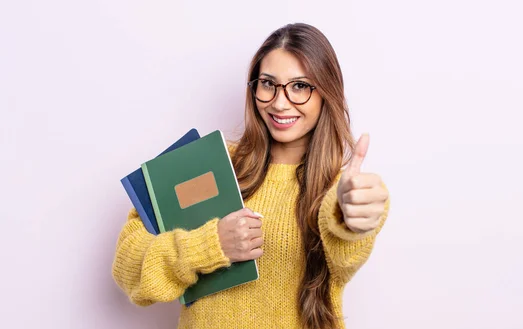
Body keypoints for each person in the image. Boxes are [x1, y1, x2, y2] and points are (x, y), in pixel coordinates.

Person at [112, 22, 390, 329]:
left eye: (300, 86)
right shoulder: (207, 166)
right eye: (268, 83)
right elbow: (129, 269)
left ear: (326, 93)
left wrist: (354, 217)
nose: (279, 102)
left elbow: (346, 250)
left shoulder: (337, 193)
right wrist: (210, 244)